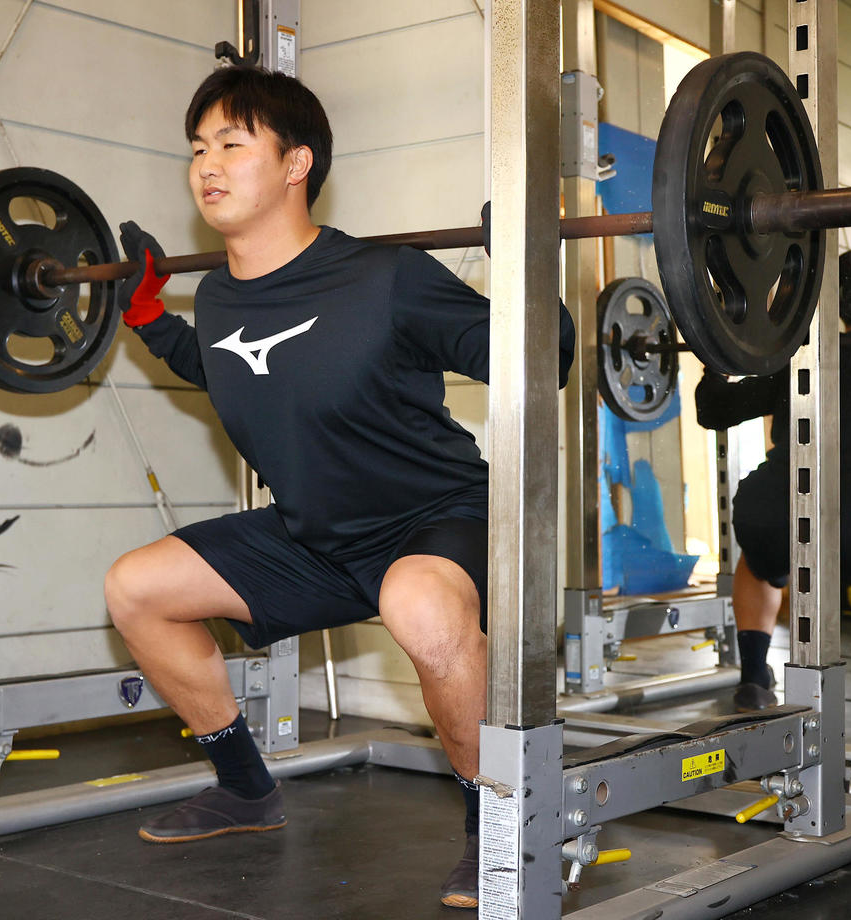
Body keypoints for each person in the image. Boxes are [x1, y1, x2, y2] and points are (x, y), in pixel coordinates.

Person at [103, 65, 575, 911]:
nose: (206, 165)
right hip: (315, 534)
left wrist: (527, 272)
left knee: (419, 604)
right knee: (136, 587)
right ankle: (244, 789)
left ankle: (500, 827)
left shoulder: (384, 277)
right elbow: (224, 367)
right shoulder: (220, 297)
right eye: (198, 148)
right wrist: (145, 317)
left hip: (437, 518)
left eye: (232, 144)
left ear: (297, 164)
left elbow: (543, 362)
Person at [694, 250, 851, 712]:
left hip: (774, 511)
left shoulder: (805, 357)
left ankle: (753, 678)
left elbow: (714, 410)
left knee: (759, 560)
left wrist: (715, 363)